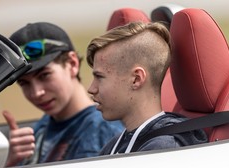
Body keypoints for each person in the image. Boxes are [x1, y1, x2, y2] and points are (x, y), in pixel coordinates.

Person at [3, 22, 124, 166]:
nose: (36, 93)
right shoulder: (42, 127)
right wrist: (11, 162)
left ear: (72, 64)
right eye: (24, 83)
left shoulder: (102, 130)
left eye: (45, 76)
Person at [86, 21, 208, 155]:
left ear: (136, 79)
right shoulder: (117, 142)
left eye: (99, 77)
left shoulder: (162, 149)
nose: (91, 89)